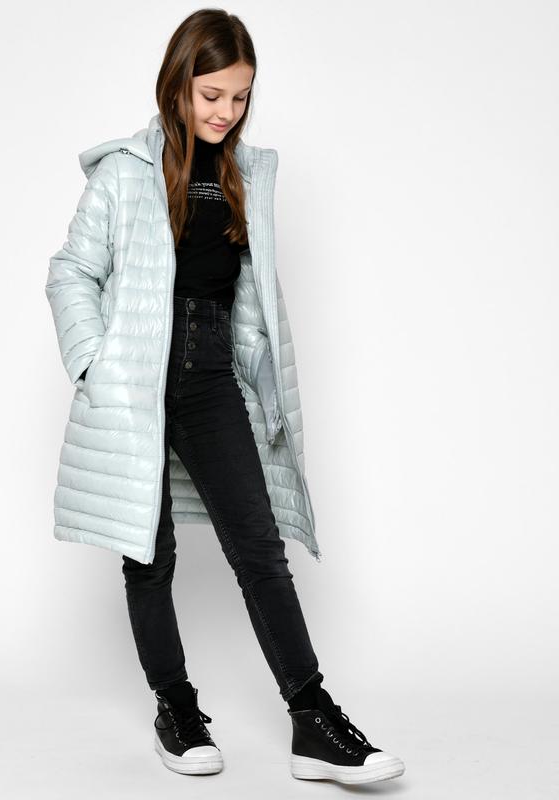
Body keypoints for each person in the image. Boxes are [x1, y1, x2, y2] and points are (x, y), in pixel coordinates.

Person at [45, 8, 405, 786]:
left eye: (240, 97)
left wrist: (259, 381)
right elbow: (71, 270)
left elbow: (245, 296)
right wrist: (93, 365)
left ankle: (312, 719)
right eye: (212, 94)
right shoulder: (124, 172)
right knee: (149, 553)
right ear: (177, 85)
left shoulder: (248, 173)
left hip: (210, 372)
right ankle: (175, 709)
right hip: (135, 374)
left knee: (259, 548)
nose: (226, 111)